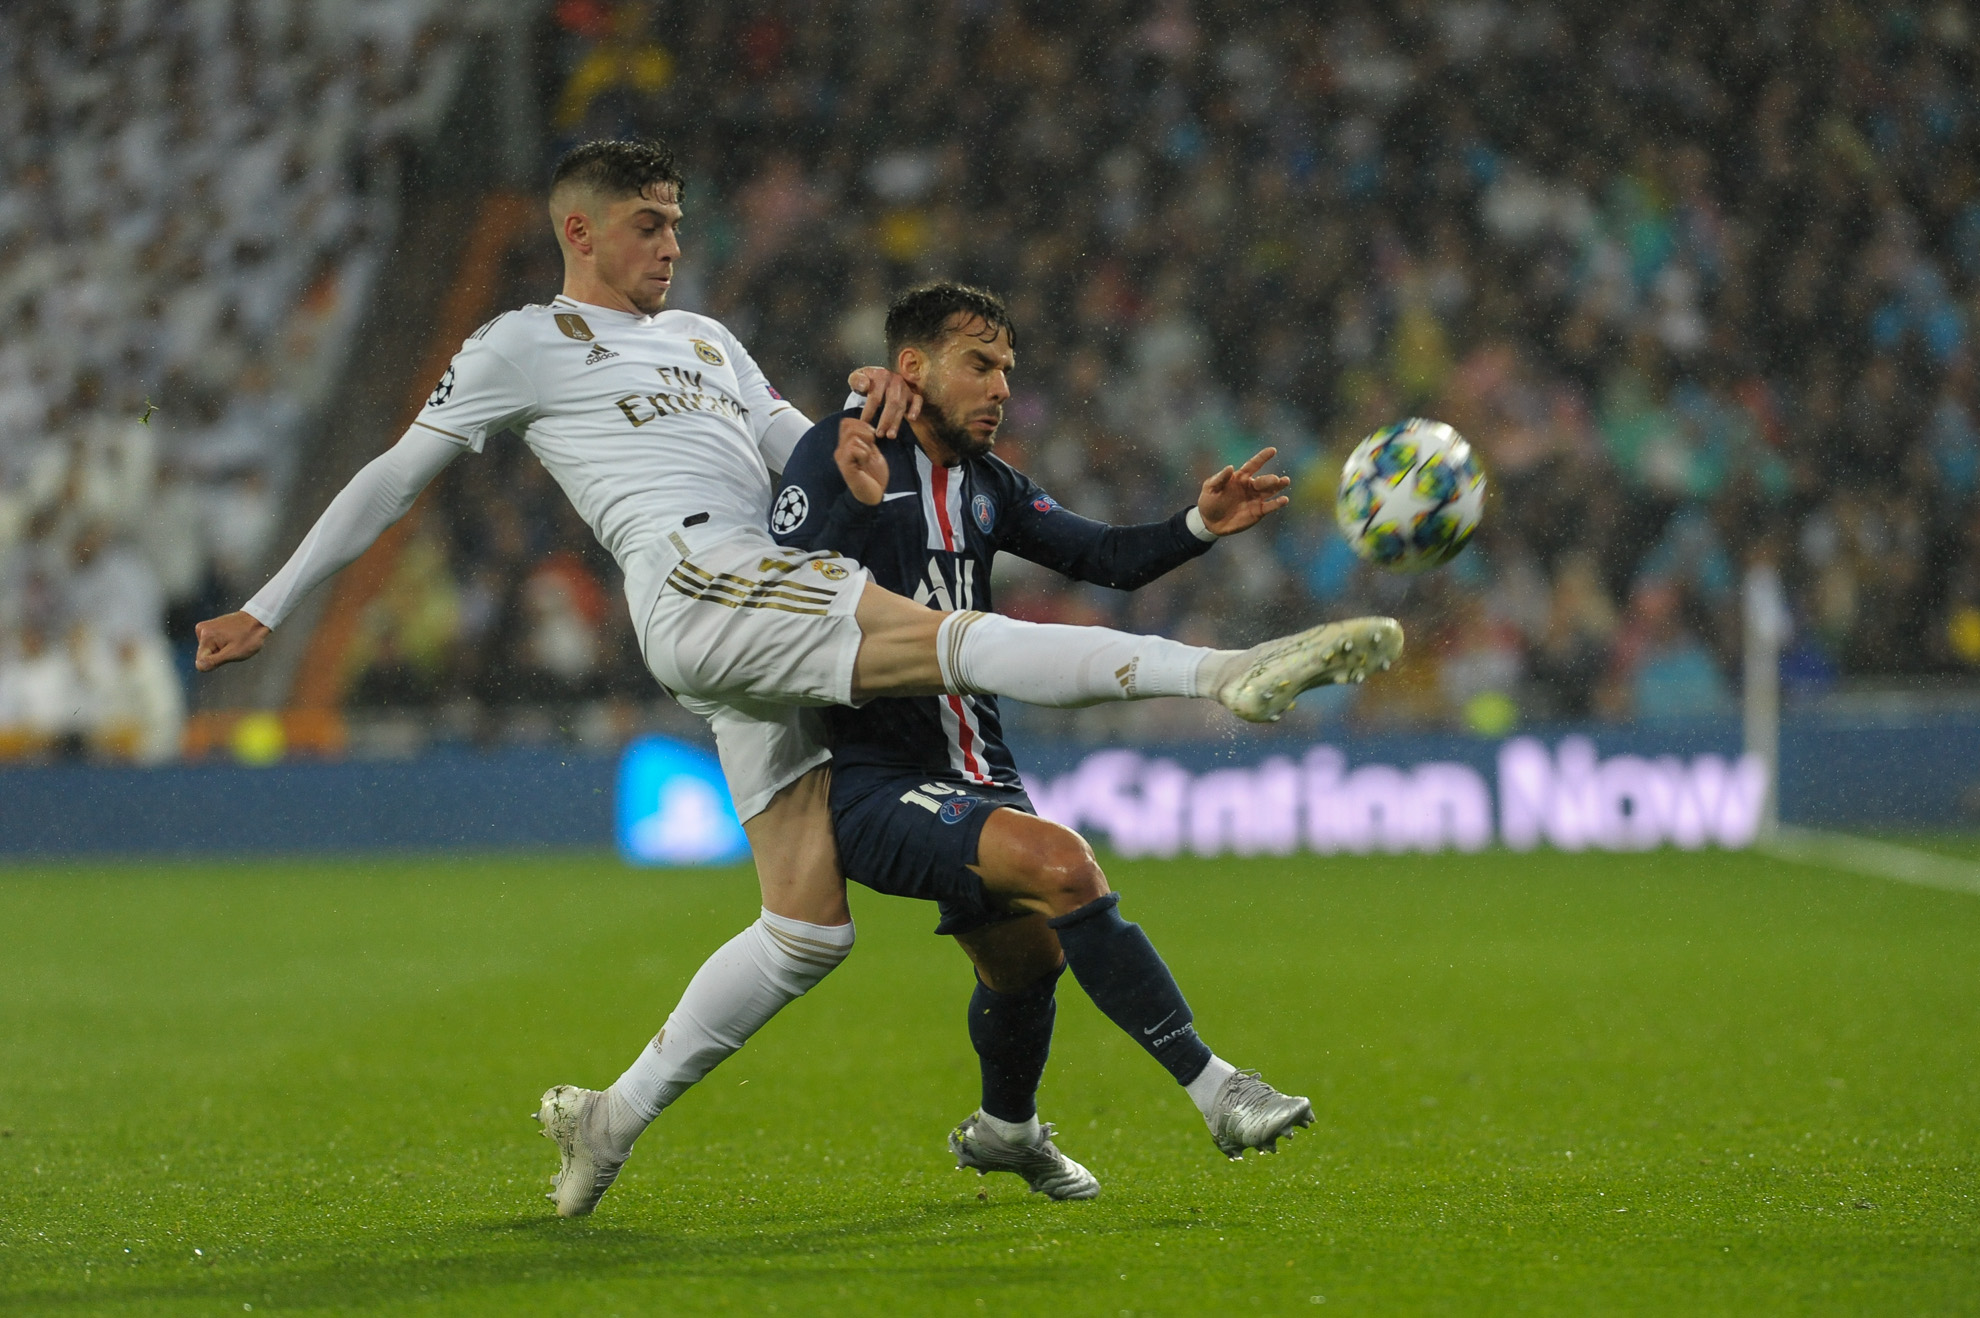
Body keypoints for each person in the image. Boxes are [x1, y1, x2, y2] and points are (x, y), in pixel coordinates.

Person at [193, 139, 1402, 1217]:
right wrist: (270, 600)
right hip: (697, 584)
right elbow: (395, 474)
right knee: (949, 635)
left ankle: (608, 1117)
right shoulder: (521, 342)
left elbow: (801, 454)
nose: (673, 242)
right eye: (649, 224)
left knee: (806, 929)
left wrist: (863, 413)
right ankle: (1226, 672)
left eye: (676, 220)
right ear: (581, 232)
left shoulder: (709, 341)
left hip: (758, 609)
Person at [773, 282, 1320, 1199]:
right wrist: (856, 508)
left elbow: (1103, 558)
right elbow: (777, 593)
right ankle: (1218, 1089)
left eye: (1007, 372)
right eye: (979, 365)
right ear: (912, 367)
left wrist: (1198, 525)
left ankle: (1007, 1131)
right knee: (1067, 867)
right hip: (870, 781)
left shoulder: (990, 488)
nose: (1000, 389)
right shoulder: (843, 448)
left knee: (1027, 963)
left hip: (983, 770)